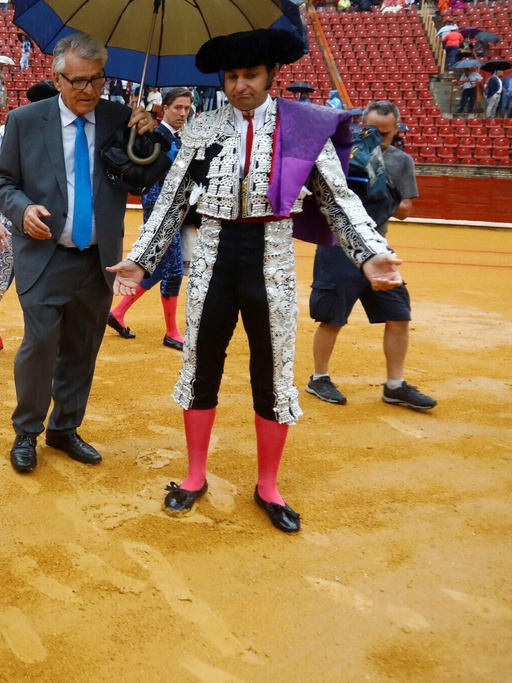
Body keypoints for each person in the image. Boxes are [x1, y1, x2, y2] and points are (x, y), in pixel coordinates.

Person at [108, 28, 402, 531]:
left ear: (272, 75)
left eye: (250, 75)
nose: (240, 85)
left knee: (273, 371)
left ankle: (268, 485)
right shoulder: (203, 127)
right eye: (232, 76)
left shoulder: (302, 127)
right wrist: (140, 259)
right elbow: (174, 197)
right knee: (201, 366)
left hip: (272, 256)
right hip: (214, 255)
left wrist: (371, 253)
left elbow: (337, 197)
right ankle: (195, 475)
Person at [0, 32, 157, 475]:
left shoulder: (121, 117)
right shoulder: (26, 121)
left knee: (83, 348)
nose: (87, 90)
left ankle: (65, 429)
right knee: (41, 344)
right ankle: (27, 431)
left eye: (96, 80)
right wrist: (22, 210)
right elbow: (2, 182)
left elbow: (144, 178)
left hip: (99, 259)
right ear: (56, 78)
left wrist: (147, 138)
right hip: (45, 254)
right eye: (78, 81)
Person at [305, 101, 434, 410]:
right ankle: (318, 377)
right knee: (332, 317)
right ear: (361, 125)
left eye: (385, 133)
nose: (377, 137)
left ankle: (395, 385)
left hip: (378, 245)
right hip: (339, 246)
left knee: (399, 315)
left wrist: (382, 188)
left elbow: (405, 210)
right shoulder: (341, 154)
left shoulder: (401, 161)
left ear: (396, 131)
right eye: (371, 130)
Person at [107, 89, 191, 348]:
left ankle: (118, 313)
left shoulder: (182, 138)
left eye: (187, 108)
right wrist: (160, 217)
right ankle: (172, 332)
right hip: (161, 216)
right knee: (174, 271)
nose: (183, 113)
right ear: (163, 108)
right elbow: (151, 185)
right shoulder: (155, 138)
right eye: (177, 107)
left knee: (157, 269)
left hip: (177, 214)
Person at [0, 80, 59, 305]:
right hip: (9, 222)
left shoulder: (57, 134)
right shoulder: (6, 132)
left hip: (44, 223)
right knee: (0, 282)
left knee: (44, 284)